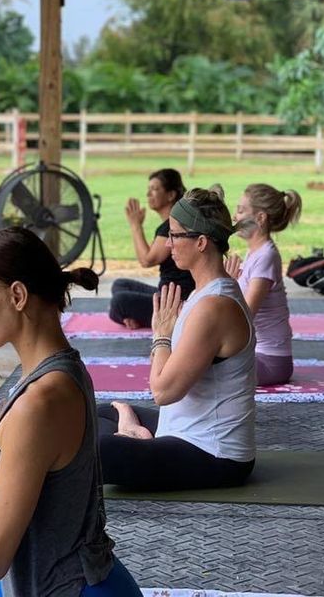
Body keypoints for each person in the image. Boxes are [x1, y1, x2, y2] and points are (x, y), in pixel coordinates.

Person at [0, 227, 142, 597]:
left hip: (71, 589)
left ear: (17, 295)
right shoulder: (60, 368)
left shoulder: (40, 402)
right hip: (89, 575)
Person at [97, 187, 256, 491]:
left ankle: (132, 434)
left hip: (214, 454)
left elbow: (162, 392)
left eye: (174, 235)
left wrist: (161, 335)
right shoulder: (203, 293)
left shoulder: (214, 306)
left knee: (98, 452)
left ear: (200, 242)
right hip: (183, 430)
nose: (168, 243)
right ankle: (132, 433)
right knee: (96, 415)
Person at [224, 184, 302, 386]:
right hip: (254, 355)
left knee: (198, 368)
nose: (235, 217)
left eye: (241, 211)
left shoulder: (266, 256)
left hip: (271, 362)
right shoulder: (254, 253)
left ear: (260, 218)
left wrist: (226, 286)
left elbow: (244, 317)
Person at [109, 168, 195, 329]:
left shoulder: (172, 225)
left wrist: (135, 225)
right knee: (120, 285)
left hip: (176, 302)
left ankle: (142, 317)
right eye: (148, 189)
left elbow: (146, 260)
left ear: (170, 195)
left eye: (155, 189)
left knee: (118, 303)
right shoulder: (171, 223)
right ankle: (136, 316)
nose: (149, 194)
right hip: (166, 293)